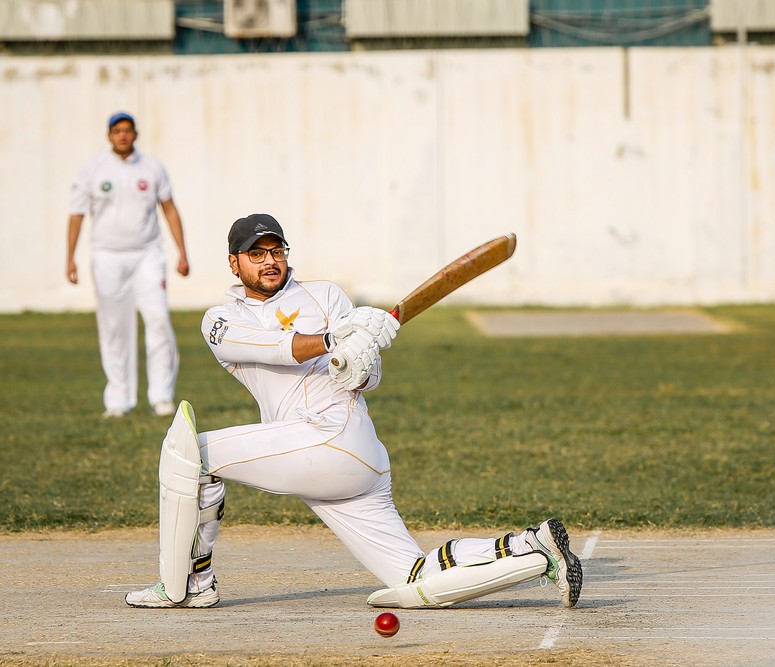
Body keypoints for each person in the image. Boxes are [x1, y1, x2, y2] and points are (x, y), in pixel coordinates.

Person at [125, 213, 583, 610]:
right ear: (234, 262)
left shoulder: (326, 295)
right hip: (327, 456)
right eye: (256, 253)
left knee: (189, 454)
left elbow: (368, 379)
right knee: (416, 577)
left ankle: (189, 585)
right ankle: (533, 547)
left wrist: (356, 362)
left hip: (335, 437)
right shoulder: (221, 320)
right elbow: (275, 348)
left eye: (276, 251)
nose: (270, 261)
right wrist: (332, 341)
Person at [66, 111, 190, 418]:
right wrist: (70, 258)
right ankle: (118, 399)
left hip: (148, 254)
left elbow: (169, 209)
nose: (122, 135)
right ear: (109, 135)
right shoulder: (93, 170)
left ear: (135, 134)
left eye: (127, 130)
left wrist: (182, 252)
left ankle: (161, 396)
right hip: (107, 255)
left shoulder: (152, 168)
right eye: (117, 130)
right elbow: (76, 215)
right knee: (113, 327)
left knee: (158, 320)